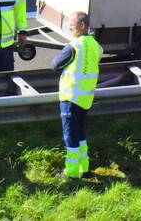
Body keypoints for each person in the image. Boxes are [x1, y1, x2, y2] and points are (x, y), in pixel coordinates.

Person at [50, 11, 101, 179]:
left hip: (70, 97)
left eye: (72, 24)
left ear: (82, 25)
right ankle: (84, 168)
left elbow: (55, 65)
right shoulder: (95, 45)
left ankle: (71, 173)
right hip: (85, 98)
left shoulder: (74, 46)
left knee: (70, 136)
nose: (70, 27)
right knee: (80, 134)